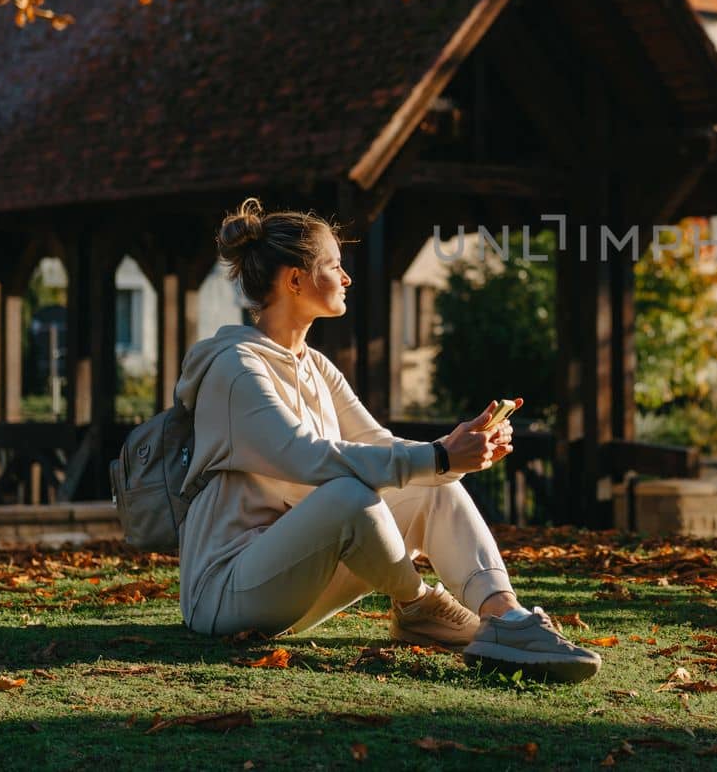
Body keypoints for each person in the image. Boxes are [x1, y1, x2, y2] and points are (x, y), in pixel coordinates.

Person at [173, 198, 601, 683]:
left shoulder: (313, 365)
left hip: (292, 580)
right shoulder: (236, 369)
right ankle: (419, 605)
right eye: (334, 265)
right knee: (349, 493)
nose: (347, 277)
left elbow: (377, 445)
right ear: (295, 280)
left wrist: (458, 449)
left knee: (434, 488)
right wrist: (437, 456)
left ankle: (507, 618)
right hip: (225, 595)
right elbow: (310, 458)